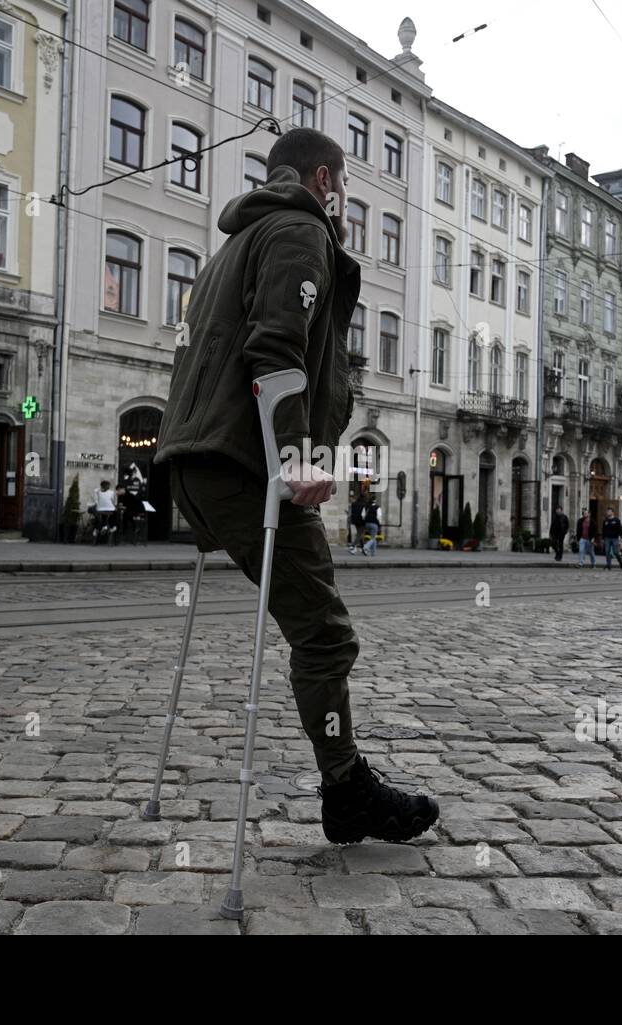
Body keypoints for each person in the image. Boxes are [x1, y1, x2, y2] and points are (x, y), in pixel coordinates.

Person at [154, 127, 438, 845]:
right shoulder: (299, 231)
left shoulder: (231, 245)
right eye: (340, 191)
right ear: (322, 179)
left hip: (195, 457)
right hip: (244, 465)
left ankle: (347, 784)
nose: (341, 204)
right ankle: (348, 790)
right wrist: (294, 456)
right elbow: (274, 345)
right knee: (325, 634)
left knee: (317, 626)